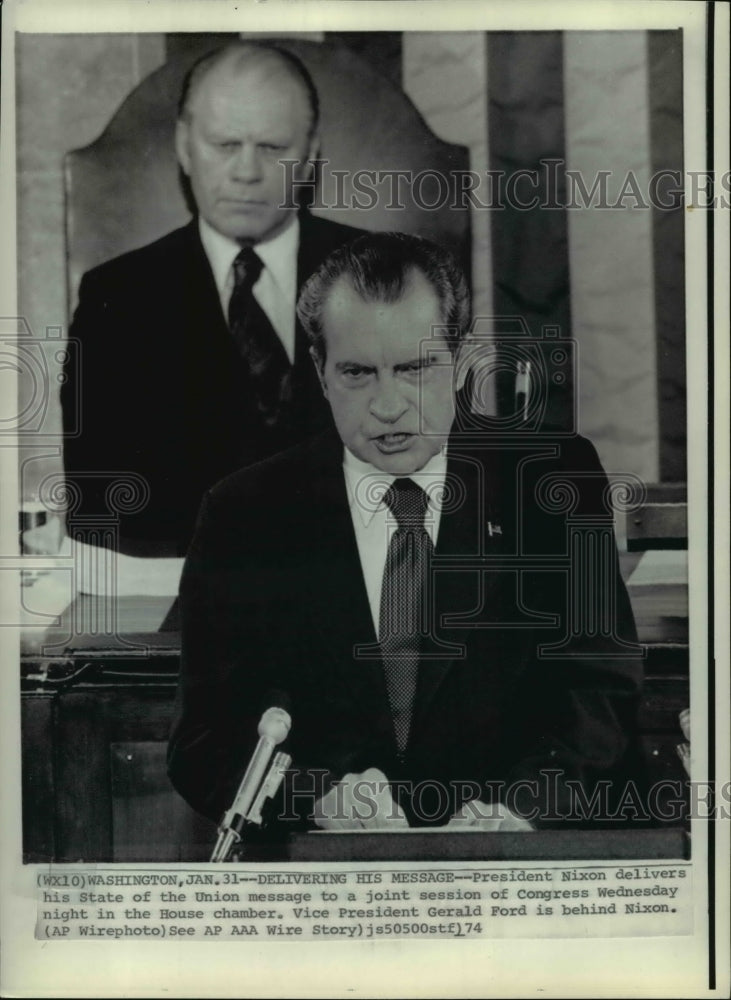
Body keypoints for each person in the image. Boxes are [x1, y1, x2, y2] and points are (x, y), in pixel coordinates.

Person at [168, 232, 644, 835]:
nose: (388, 405)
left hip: (513, 864)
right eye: (358, 373)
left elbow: (599, 698)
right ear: (319, 371)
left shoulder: (552, 482)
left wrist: (521, 810)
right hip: (331, 877)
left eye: (415, 367)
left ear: (460, 359)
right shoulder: (245, 513)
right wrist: (316, 796)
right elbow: (204, 740)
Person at [55, 41, 362, 588]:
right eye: (225, 144)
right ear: (183, 145)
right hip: (184, 619)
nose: (247, 171)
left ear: (312, 152)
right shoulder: (116, 299)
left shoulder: (380, 277)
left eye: (273, 146)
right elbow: (101, 503)